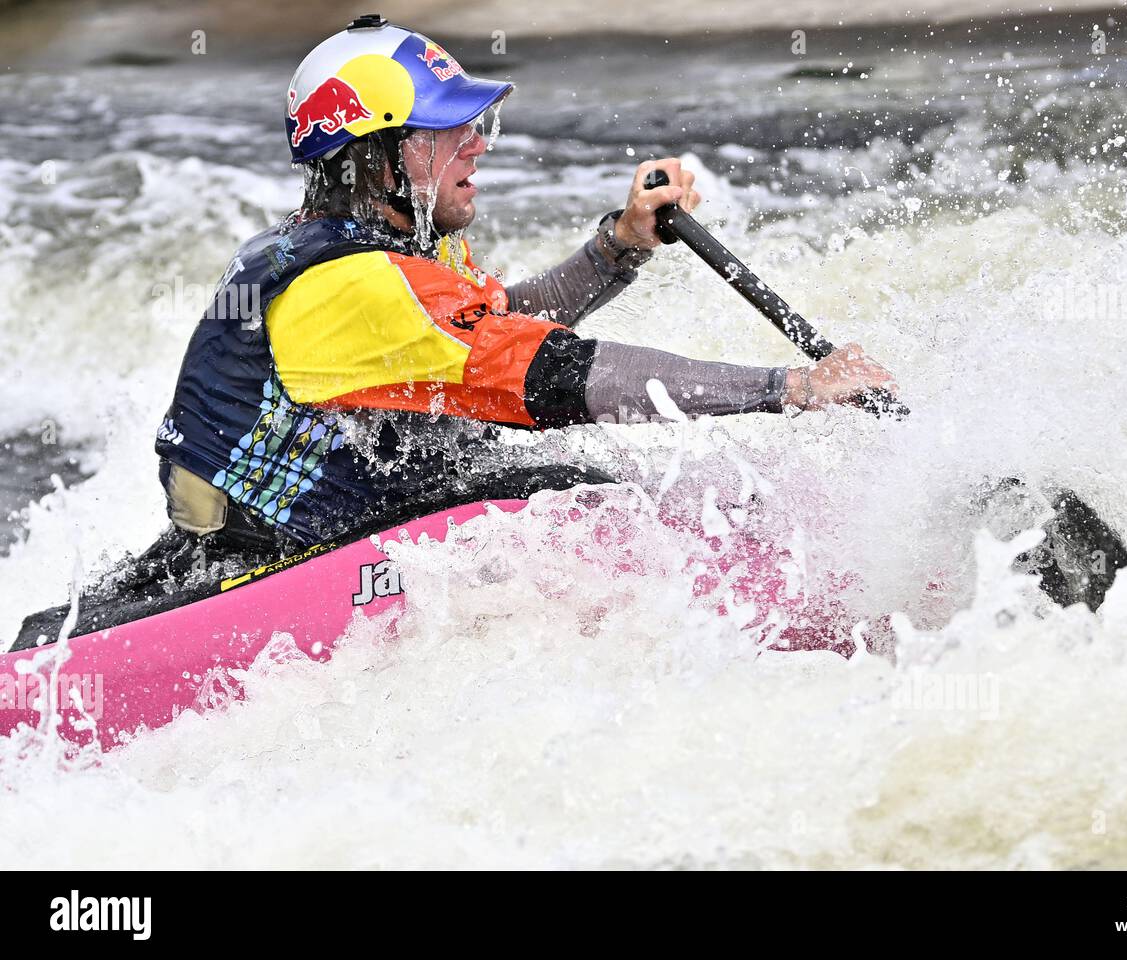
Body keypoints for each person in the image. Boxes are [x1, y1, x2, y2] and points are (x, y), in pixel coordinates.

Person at [140, 15, 897, 588]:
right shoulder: (350, 284)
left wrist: (621, 244)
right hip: (255, 574)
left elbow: (503, 325)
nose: (477, 142)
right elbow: (560, 375)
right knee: (557, 492)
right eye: (447, 127)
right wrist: (792, 387)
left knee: (542, 483)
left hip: (304, 544)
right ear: (374, 154)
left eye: (474, 122)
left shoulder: (389, 246)